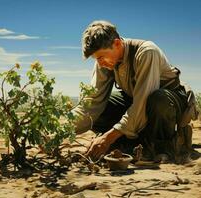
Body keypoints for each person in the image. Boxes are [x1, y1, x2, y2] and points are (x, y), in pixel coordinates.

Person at [72, 20, 198, 163]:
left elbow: (142, 102)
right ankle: (134, 143)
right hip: (137, 101)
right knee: (98, 110)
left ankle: (166, 146)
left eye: (101, 57)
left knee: (158, 99)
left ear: (117, 44)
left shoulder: (146, 52)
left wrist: (107, 138)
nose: (100, 63)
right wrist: (62, 130)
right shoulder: (104, 62)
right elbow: (93, 102)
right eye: (96, 59)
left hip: (168, 101)